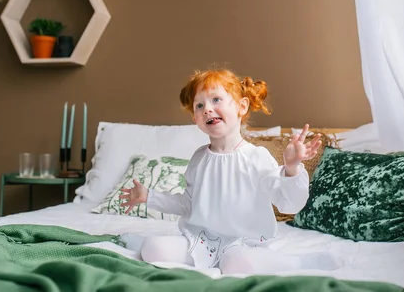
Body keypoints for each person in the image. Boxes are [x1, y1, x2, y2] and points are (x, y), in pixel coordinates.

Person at [119, 68, 323, 274]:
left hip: (244, 244)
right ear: (195, 119)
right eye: (199, 105)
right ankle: (148, 245)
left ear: (241, 107)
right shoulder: (199, 158)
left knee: (234, 263)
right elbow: (187, 205)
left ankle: (298, 263)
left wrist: (291, 167)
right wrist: (149, 196)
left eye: (216, 100)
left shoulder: (256, 157)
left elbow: (290, 204)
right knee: (153, 249)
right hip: (201, 242)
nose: (207, 109)